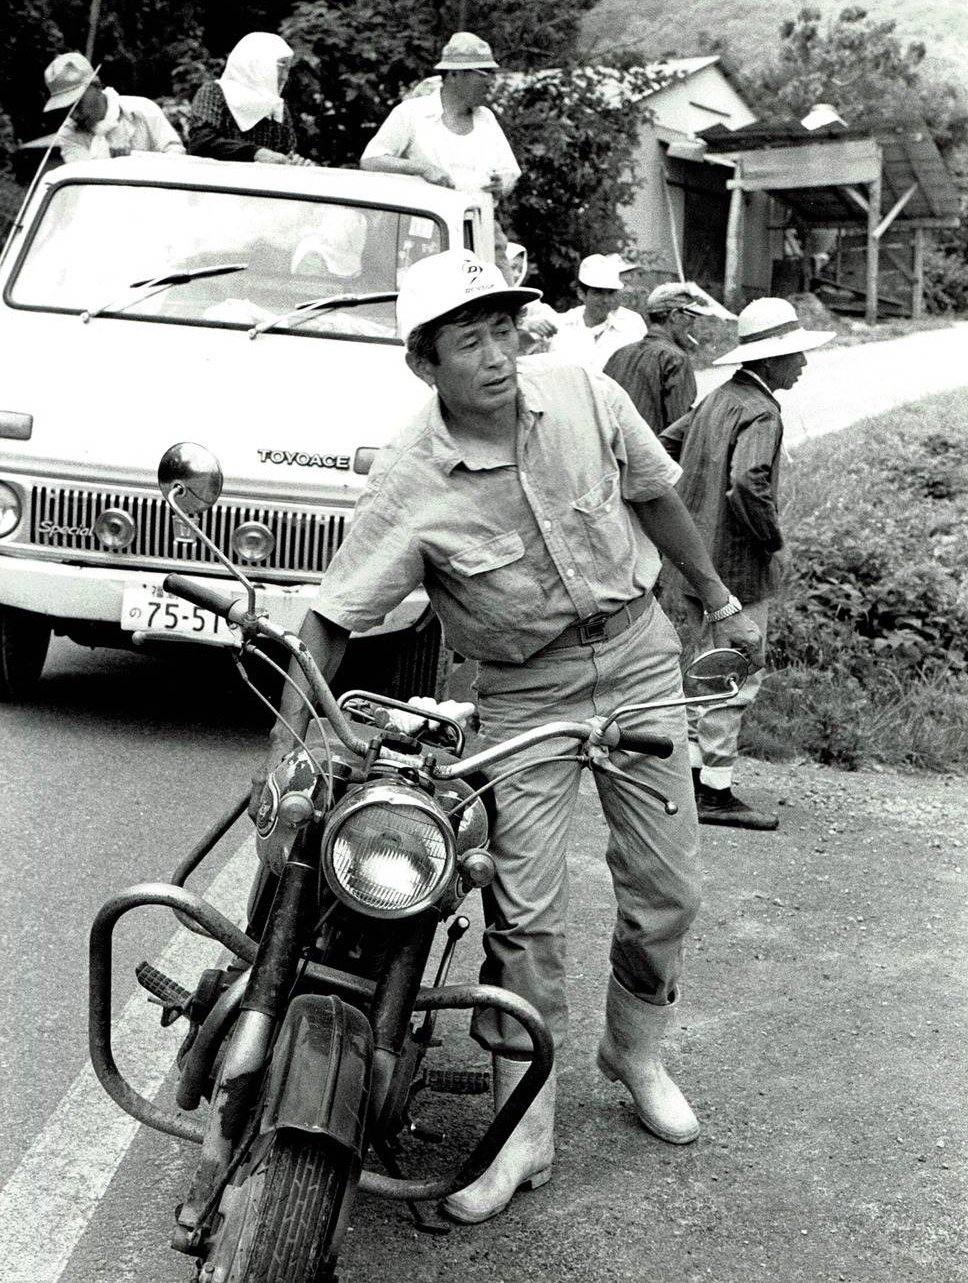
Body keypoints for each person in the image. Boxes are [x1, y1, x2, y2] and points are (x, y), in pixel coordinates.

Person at [256, 249, 763, 1225]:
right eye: (466, 340)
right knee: (523, 919)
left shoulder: (578, 391)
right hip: (523, 693)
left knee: (669, 888)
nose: (494, 357)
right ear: (424, 362)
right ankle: (519, 1130)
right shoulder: (409, 474)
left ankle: (633, 1048)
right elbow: (334, 616)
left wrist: (717, 598)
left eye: (502, 330)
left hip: (637, 654)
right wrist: (289, 744)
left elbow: (655, 492)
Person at [660, 297, 836, 831]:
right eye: (795, 355)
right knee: (737, 674)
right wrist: (774, 540)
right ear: (769, 361)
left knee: (703, 672)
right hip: (735, 567)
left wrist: (690, 502)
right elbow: (747, 482)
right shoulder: (761, 410)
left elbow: (665, 441)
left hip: (694, 563)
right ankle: (716, 791)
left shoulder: (720, 398)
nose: (802, 364)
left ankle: (694, 780)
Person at [359, 32, 520, 197]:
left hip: (480, 220)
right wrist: (423, 168)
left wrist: (504, 183)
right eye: (484, 73)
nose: (490, 82)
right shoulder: (412, 113)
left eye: (492, 74)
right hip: (430, 220)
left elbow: (509, 171)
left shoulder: (486, 118)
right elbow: (371, 160)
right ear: (455, 74)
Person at [603, 282, 715, 434]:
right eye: (691, 317)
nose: (693, 325)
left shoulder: (619, 355)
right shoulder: (676, 359)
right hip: (653, 454)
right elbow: (678, 427)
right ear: (674, 315)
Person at [187, 32, 311, 165]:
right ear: (255, 64)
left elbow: (285, 153)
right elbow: (201, 144)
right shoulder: (214, 93)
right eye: (280, 67)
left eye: (288, 68)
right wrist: (256, 153)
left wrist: (294, 162)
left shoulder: (277, 108)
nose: (284, 76)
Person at [43, 53, 185, 163]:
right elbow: (82, 181)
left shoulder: (143, 110)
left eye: (77, 103)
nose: (74, 115)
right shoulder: (69, 134)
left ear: (97, 85)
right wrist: (110, 162)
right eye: (66, 108)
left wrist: (134, 160)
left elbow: (176, 155)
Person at [548, 253, 647, 375]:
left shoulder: (630, 330)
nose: (605, 300)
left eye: (610, 293)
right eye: (598, 293)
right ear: (581, 294)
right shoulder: (560, 327)